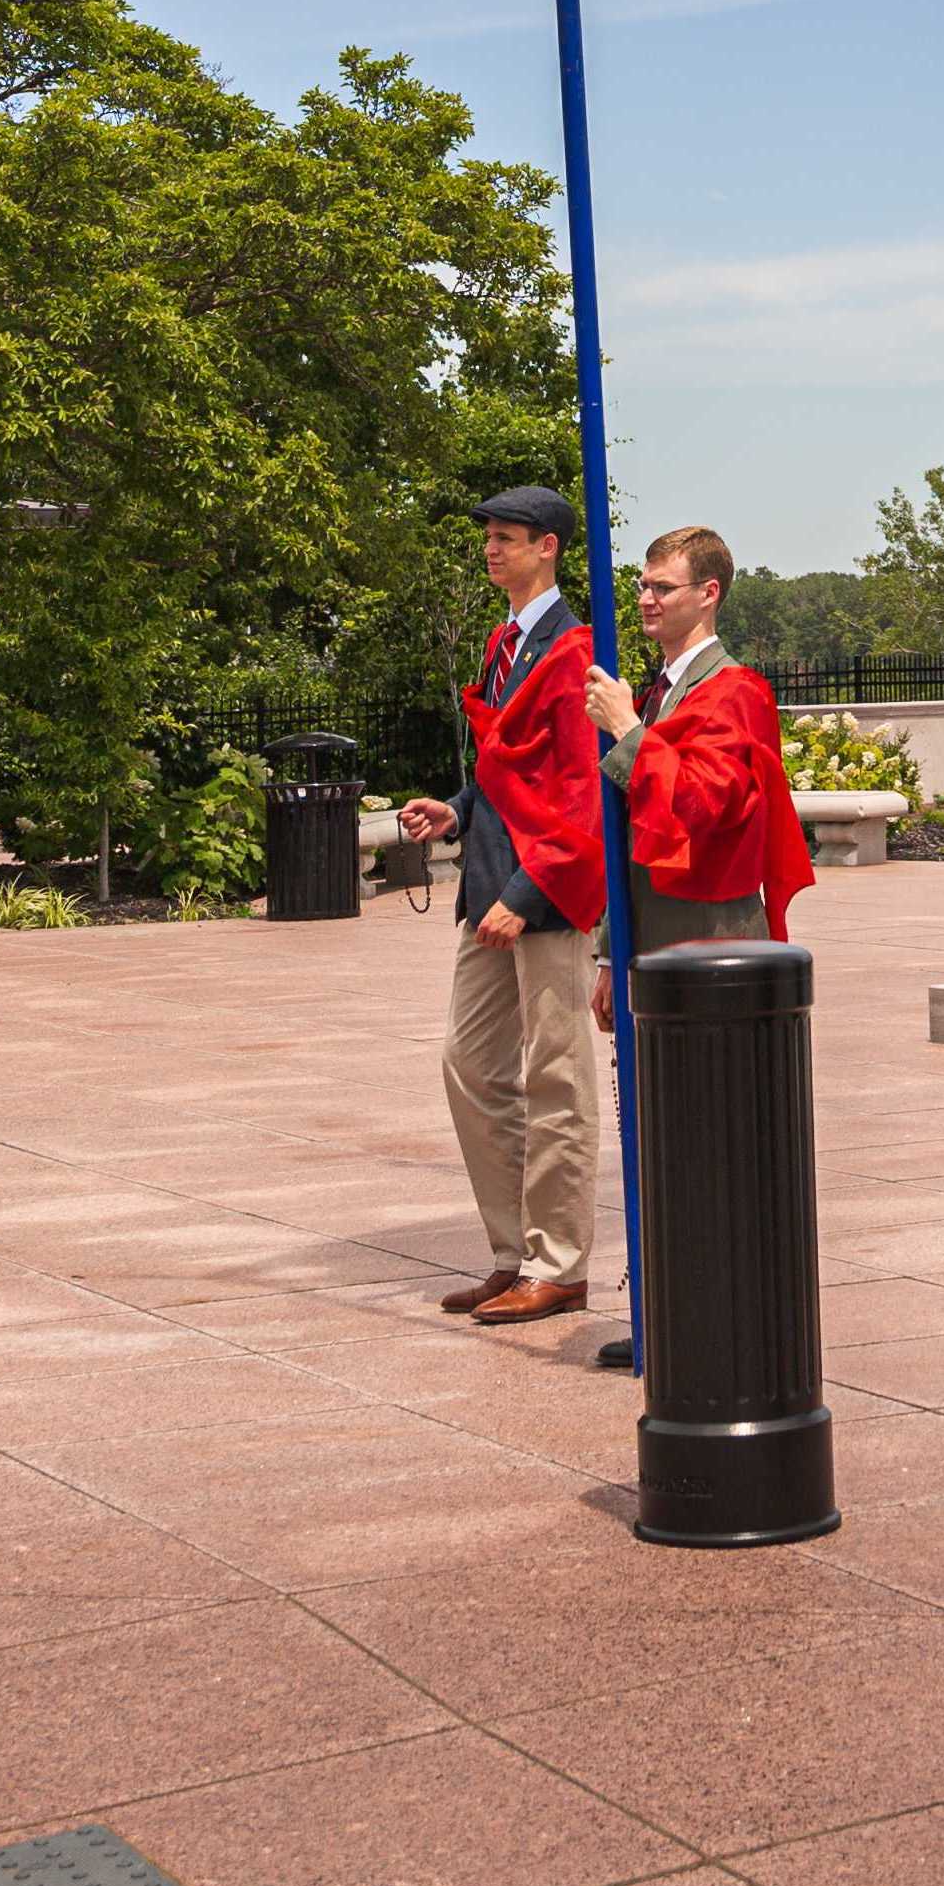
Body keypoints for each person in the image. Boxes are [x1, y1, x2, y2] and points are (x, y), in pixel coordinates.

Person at [392, 485, 608, 1328]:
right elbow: (504, 769)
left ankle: (560, 1264)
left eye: (508, 538)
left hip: (545, 896)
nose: (492, 549)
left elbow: (580, 788)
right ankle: (514, 1253)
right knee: (470, 1064)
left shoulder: (576, 649)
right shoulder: (504, 641)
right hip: (489, 886)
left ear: (548, 547)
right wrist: (456, 808)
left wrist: (527, 892)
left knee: (556, 1078)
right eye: (489, 537)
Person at [590, 525, 813, 961]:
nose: (645, 599)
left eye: (663, 588)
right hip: (650, 933)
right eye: (644, 585)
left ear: (708, 593)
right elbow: (630, 833)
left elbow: (698, 805)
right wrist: (608, 955)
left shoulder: (737, 692)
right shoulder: (660, 693)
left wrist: (626, 729)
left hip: (711, 936)